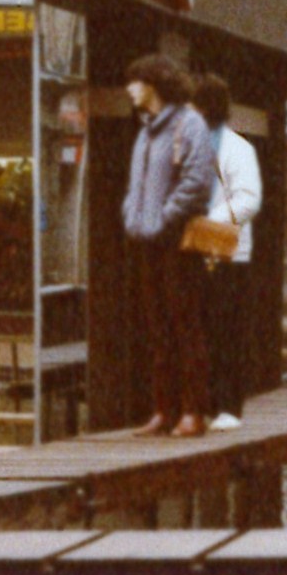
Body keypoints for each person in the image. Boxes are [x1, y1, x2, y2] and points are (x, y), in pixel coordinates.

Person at [121, 54, 217, 437]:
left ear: (154, 85)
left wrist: (164, 215)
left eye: (136, 81)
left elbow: (197, 179)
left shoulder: (188, 124)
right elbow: (136, 185)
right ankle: (164, 408)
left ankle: (193, 410)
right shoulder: (146, 131)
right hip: (148, 240)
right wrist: (134, 215)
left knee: (185, 324)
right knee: (158, 326)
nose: (130, 89)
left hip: (177, 239)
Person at [194, 73, 262, 431]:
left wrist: (210, 221)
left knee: (226, 331)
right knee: (201, 330)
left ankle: (229, 406)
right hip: (197, 250)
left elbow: (248, 198)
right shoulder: (190, 146)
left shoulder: (238, 149)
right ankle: (204, 403)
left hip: (228, 252)